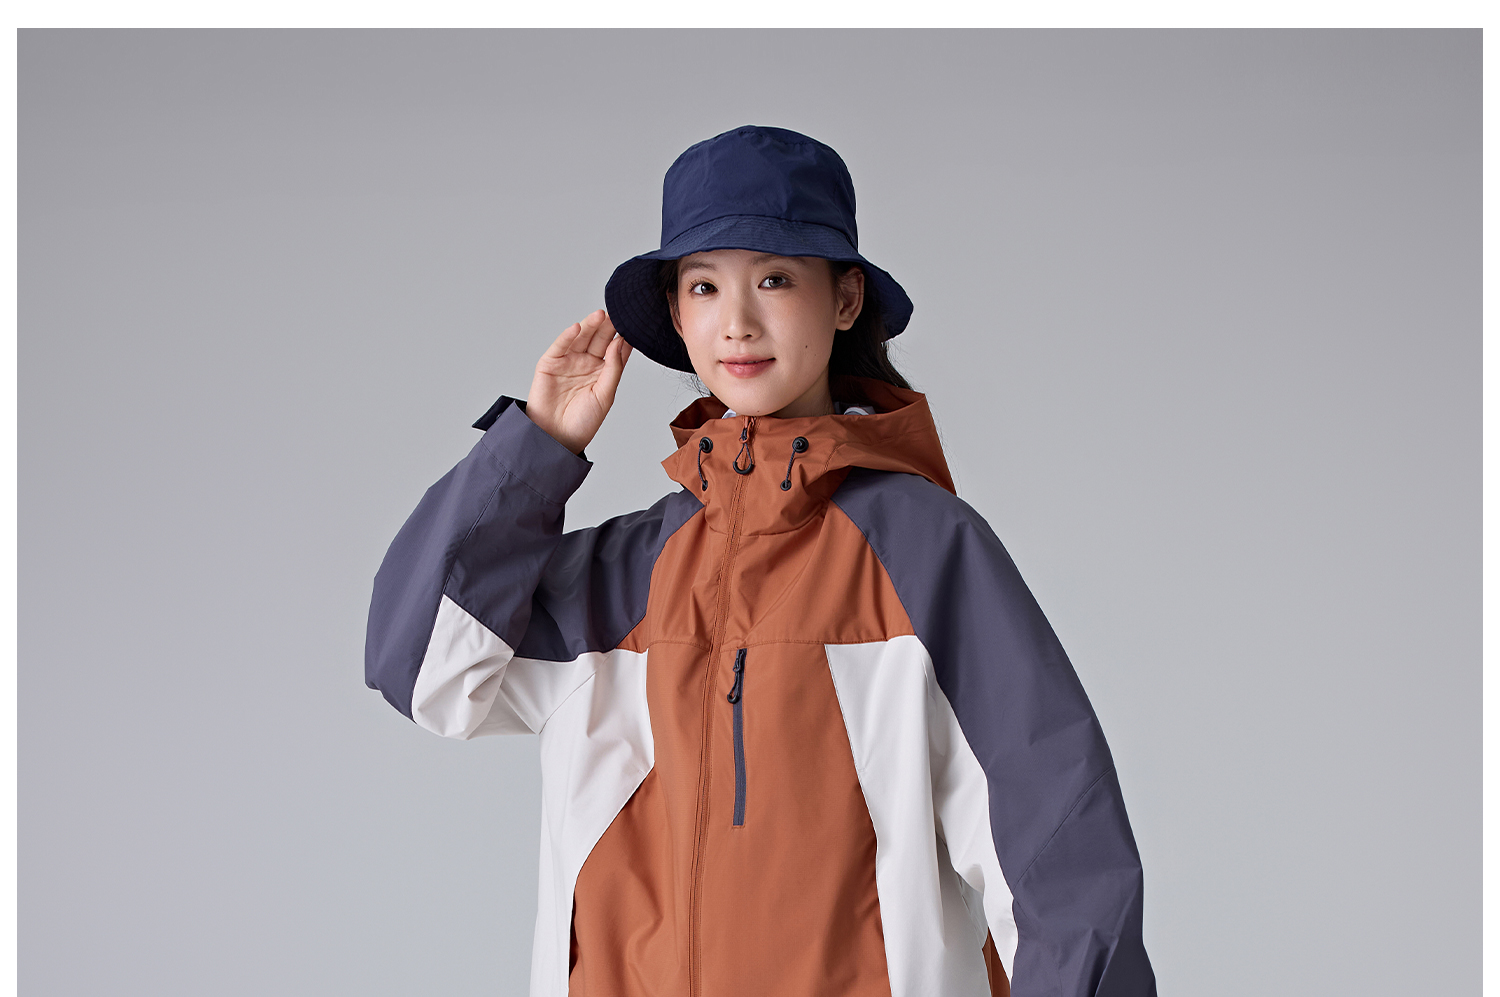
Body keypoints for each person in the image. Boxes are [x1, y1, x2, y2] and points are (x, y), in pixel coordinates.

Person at [365, 125, 1156, 997]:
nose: (737, 322)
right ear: (678, 317)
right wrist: (537, 446)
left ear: (845, 298)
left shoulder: (925, 552)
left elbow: (1061, 853)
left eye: (774, 279)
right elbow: (425, 668)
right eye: (704, 286)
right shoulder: (623, 579)